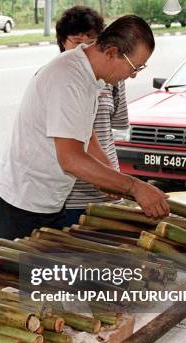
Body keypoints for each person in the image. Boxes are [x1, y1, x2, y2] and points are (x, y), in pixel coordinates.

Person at [0, 15, 169, 241]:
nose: (133, 74)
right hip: (24, 201)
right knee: (24, 274)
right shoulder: (69, 78)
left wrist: (108, 175)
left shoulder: (89, 71)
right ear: (112, 52)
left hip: (50, 198)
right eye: (135, 66)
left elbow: (84, 132)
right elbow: (71, 159)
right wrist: (134, 187)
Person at [56, 6, 130, 225]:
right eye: (77, 42)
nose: (85, 48)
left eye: (91, 41)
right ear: (62, 43)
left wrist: (113, 178)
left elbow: (115, 124)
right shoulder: (60, 79)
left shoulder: (115, 79)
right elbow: (82, 139)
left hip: (108, 187)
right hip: (71, 194)